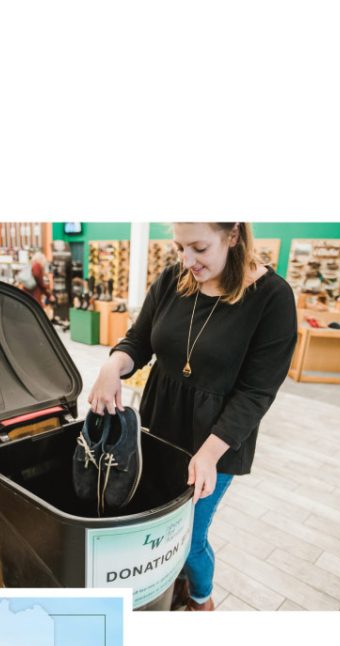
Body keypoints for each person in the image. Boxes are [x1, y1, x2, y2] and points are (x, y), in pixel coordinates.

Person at [87, 223, 297, 611]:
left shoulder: (273, 298)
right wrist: (111, 367)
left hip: (216, 440)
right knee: (155, 525)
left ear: (233, 235)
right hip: (158, 428)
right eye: (179, 247)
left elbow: (256, 393)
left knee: (189, 534)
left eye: (199, 248)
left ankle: (201, 598)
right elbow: (139, 340)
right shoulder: (173, 279)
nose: (186, 261)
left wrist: (209, 454)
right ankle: (172, 586)